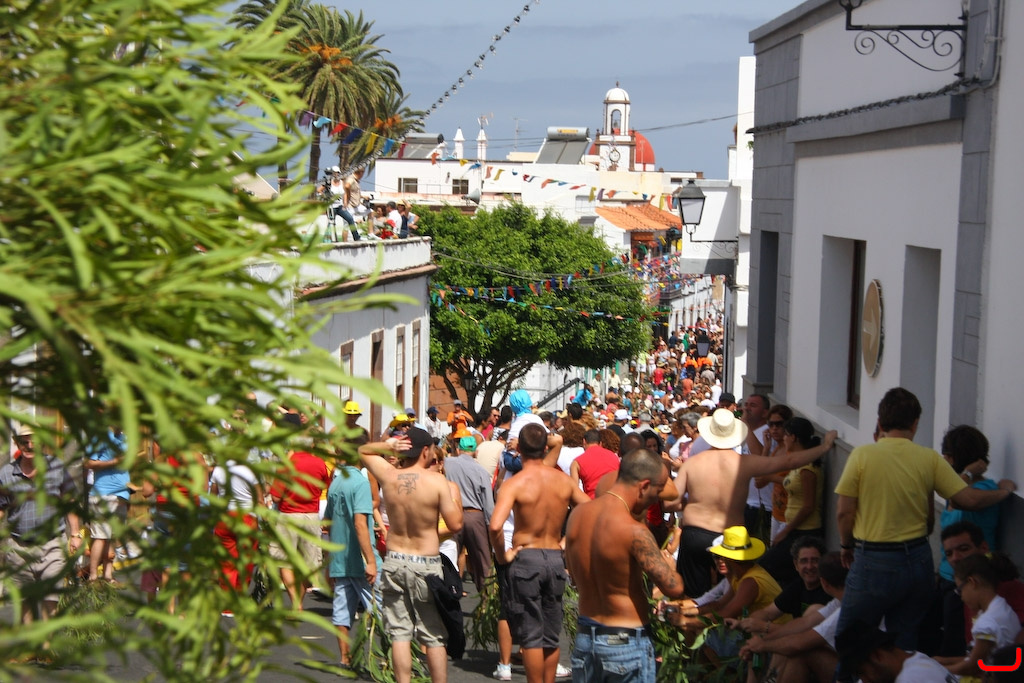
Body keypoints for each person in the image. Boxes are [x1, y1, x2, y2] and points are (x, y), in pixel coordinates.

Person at [834, 387, 1017, 651]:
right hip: (917, 558)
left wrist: (845, 545)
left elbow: (844, 512)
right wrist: (1005, 491)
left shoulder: (862, 456)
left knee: (851, 637)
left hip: (873, 558)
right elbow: (968, 500)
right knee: (906, 641)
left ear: (880, 422)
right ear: (915, 423)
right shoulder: (928, 458)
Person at [668, 409, 836, 598]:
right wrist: (824, 447)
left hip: (695, 533)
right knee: (729, 596)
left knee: (692, 596)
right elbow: (789, 461)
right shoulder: (744, 463)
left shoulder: (691, 464)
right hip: (730, 537)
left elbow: (671, 502)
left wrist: (688, 503)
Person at [565, 448, 685, 683]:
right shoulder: (634, 531)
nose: (657, 498)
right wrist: (669, 564)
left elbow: (574, 578)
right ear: (644, 486)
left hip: (586, 636)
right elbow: (673, 587)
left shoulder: (577, 516)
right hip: (624, 640)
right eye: (658, 490)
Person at [358, 427, 463, 683]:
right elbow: (455, 524)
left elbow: (362, 450)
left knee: (400, 633)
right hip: (425, 562)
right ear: (425, 451)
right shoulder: (437, 482)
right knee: (433, 634)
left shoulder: (389, 475)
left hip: (395, 559)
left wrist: (388, 446)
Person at [489, 424, 589, 683]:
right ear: (545, 448)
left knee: (531, 635)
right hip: (554, 557)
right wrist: (566, 540)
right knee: (550, 635)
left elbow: (496, 526)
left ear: (519, 450)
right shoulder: (563, 481)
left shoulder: (515, 483)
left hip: (527, 557)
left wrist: (502, 555)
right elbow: (589, 509)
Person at [0, 426, 83, 630]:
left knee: (50, 599)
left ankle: (46, 643)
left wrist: (75, 534)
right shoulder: (6, 474)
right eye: (24, 442)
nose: (30, 446)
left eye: (34, 441)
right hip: (19, 548)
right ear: (17, 444)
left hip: (52, 545)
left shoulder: (56, 467)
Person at [268, 415, 332, 610]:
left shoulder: (287, 464)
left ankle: (296, 601)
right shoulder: (320, 463)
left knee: (283, 561)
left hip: (288, 516)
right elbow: (325, 486)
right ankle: (298, 602)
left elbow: (276, 497)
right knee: (309, 563)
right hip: (311, 516)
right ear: (311, 445)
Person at [325, 459, 379, 672]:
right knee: (383, 609)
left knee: (341, 610)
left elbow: (329, 523)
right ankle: (391, 659)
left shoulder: (336, 482)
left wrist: (330, 561)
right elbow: (359, 524)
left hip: (340, 558)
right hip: (360, 559)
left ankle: (345, 658)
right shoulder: (360, 482)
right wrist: (371, 560)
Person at [758, 417, 825, 586]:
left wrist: (786, 531)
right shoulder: (797, 464)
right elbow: (789, 483)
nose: (784, 439)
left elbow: (808, 506)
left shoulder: (807, 469)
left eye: (786, 435)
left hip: (804, 530)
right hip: (794, 527)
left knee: (767, 565)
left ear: (793, 438)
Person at [934, 554, 1023, 678]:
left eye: (960, 590)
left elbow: (973, 666)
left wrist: (938, 669)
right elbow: (974, 658)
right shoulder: (1002, 607)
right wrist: (943, 661)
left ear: (972, 582)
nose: (961, 597)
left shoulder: (987, 624)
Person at [443, 435, 494, 594]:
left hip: (452, 513)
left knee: (449, 556)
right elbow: (488, 504)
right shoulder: (481, 471)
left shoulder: (447, 463)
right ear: (475, 452)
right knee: (482, 560)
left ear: (459, 450)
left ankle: (449, 593)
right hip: (475, 516)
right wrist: (490, 526)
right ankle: (486, 595)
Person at [209, 457, 265, 599]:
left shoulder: (219, 469)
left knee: (226, 563)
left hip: (225, 518)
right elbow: (259, 500)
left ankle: (228, 601)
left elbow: (213, 498)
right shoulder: (250, 469)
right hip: (247, 519)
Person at [836, 623, 959, 683]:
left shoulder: (911, 677)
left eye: (861, 672)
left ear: (877, 656)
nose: (864, 680)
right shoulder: (915, 659)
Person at [84, 423, 129, 583]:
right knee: (100, 537)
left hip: (121, 495)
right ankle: (93, 577)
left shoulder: (124, 437)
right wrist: (114, 462)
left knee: (112, 536)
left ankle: (108, 576)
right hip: (103, 495)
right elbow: (88, 463)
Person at [570, 428, 620, 499]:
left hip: (592, 501)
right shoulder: (614, 456)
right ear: (600, 443)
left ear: (584, 442)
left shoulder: (576, 462)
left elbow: (574, 490)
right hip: (613, 499)